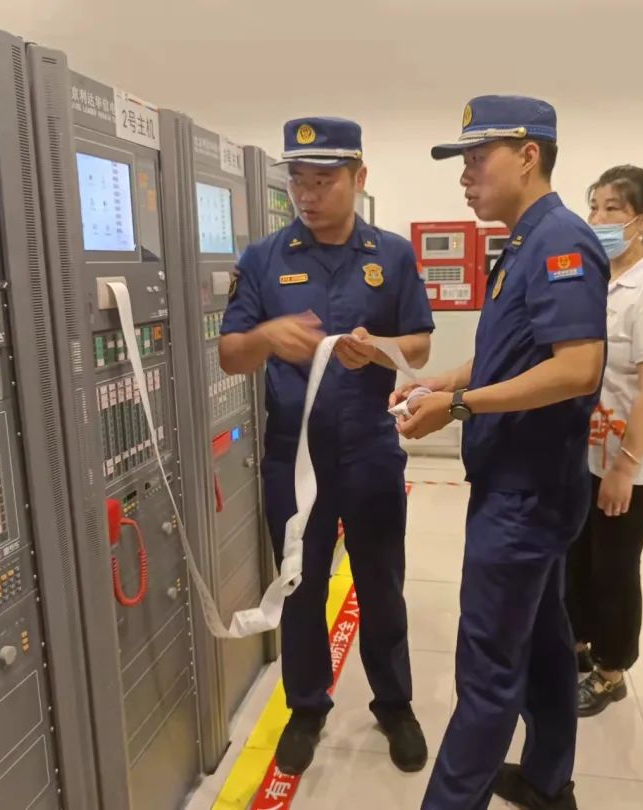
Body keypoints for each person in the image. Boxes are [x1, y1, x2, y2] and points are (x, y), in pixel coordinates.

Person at [395, 95, 608, 810]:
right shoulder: (523, 242)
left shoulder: (560, 242)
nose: (466, 175)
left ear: (529, 156)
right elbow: (509, 354)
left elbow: (577, 368)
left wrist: (458, 407)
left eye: (478, 158)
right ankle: (547, 781)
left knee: (487, 671)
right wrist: (443, 383)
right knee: (543, 642)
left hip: (525, 494)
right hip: (523, 487)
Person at [218, 116, 434, 776]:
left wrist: (380, 351)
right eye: (298, 181)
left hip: (369, 448)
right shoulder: (264, 259)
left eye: (324, 180)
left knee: (381, 583)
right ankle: (306, 707)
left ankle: (394, 704)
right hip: (293, 457)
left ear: (358, 177)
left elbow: (420, 345)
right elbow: (231, 354)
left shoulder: (391, 255)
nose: (307, 195)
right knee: (300, 584)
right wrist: (266, 337)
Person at [566, 165, 643, 717]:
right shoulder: (595, 279)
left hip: (627, 460)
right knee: (578, 558)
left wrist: (624, 468)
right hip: (587, 450)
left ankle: (611, 671)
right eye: (594, 206)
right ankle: (578, 647)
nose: (598, 219)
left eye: (613, 209)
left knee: (613, 568)